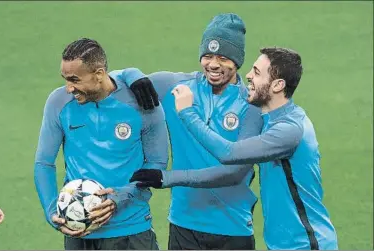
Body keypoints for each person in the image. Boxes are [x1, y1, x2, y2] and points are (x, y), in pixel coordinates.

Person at [131, 47, 339, 250]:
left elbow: (229, 154)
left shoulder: (288, 130)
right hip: (284, 243)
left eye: (257, 72)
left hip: (306, 242)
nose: (248, 75)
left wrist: (187, 112)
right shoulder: (272, 120)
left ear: (277, 85)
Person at [112, 13, 263, 250]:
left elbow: (234, 172)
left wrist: (166, 178)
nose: (213, 64)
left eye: (223, 57)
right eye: (208, 55)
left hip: (232, 228)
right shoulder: (176, 86)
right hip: (183, 225)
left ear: (237, 61)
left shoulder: (251, 105)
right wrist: (133, 75)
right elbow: (110, 83)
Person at [34, 38, 168, 250]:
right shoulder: (58, 103)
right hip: (79, 231)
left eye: (75, 80)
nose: (69, 88)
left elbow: (156, 163)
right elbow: (44, 163)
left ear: (99, 74)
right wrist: (53, 211)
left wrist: (119, 198)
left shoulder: (141, 103)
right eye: (65, 79)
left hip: (130, 230)